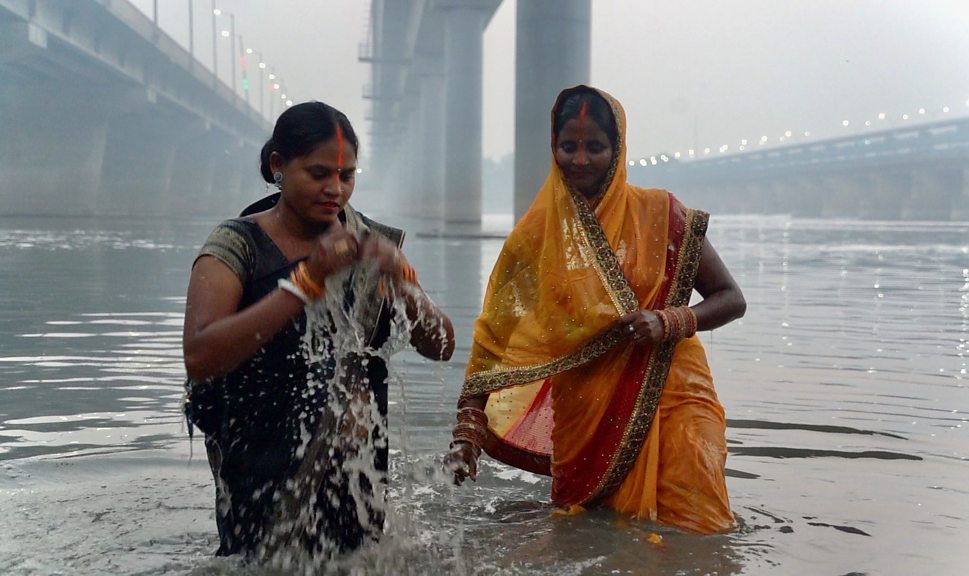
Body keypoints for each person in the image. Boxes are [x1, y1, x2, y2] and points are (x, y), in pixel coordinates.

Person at [445, 85, 745, 534]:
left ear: (618, 148)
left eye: (595, 147)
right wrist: (468, 429)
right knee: (587, 527)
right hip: (585, 409)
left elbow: (730, 298)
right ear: (554, 148)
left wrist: (667, 321)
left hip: (674, 392)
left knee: (700, 529)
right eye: (569, 146)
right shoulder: (535, 239)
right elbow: (493, 341)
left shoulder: (662, 213)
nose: (580, 159)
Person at [182, 101, 455, 558]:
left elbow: (443, 346)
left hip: (356, 467)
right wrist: (308, 281)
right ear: (277, 166)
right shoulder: (236, 245)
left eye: (347, 176)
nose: (335, 189)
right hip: (260, 466)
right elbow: (201, 354)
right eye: (318, 173)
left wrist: (404, 282)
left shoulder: (369, 244)